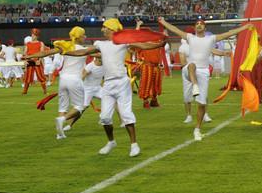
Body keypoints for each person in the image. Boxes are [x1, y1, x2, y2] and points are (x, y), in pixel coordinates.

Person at [67, 18, 166, 157]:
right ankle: (111, 142)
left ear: (112, 29)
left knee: (126, 114)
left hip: (122, 83)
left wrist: (159, 44)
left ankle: (134, 145)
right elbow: (83, 52)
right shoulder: (100, 44)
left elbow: (143, 45)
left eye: (105, 27)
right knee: (104, 117)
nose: (102, 29)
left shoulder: (123, 42)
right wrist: (65, 52)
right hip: (107, 84)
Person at [158, 16, 252, 141]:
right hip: (190, 70)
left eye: (201, 24)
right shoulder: (190, 37)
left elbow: (228, 33)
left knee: (202, 104)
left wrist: (245, 27)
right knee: (191, 65)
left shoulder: (210, 39)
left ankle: (197, 129)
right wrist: (163, 21)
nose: (199, 25)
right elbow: (174, 29)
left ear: (205, 27)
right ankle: (194, 86)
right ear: (194, 27)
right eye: (197, 23)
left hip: (203, 72)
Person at [23, 27, 89, 139]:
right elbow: (99, 54)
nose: (85, 37)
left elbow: (46, 53)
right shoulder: (84, 49)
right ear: (79, 37)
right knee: (80, 107)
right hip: (75, 79)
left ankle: (59, 134)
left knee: (62, 108)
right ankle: (62, 120)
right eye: (84, 35)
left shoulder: (65, 47)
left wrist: (30, 56)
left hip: (63, 79)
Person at [22, 29, 48, 95]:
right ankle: (25, 91)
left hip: (37, 61)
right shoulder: (28, 43)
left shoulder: (40, 43)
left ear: (37, 36)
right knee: (28, 77)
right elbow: (25, 53)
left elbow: (42, 53)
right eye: (32, 35)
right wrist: (25, 60)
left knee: (41, 76)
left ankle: (45, 90)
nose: (32, 36)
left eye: (34, 35)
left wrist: (39, 60)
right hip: (30, 61)